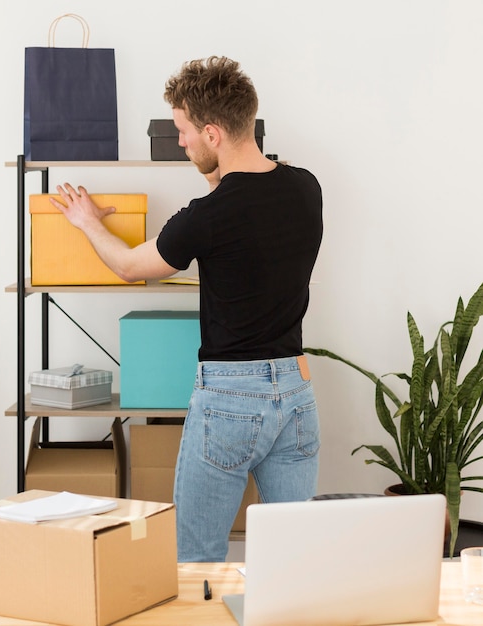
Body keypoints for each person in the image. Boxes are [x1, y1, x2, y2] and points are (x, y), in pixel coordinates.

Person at [50, 56, 323, 562]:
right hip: (296, 392)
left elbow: (131, 267)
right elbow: (248, 207)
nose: (181, 143)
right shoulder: (305, 187)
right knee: (297, 559)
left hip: (229, 398)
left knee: (195, 558)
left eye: (183, 131)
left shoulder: (206, 218)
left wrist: (87, 220)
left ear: (213, 133)